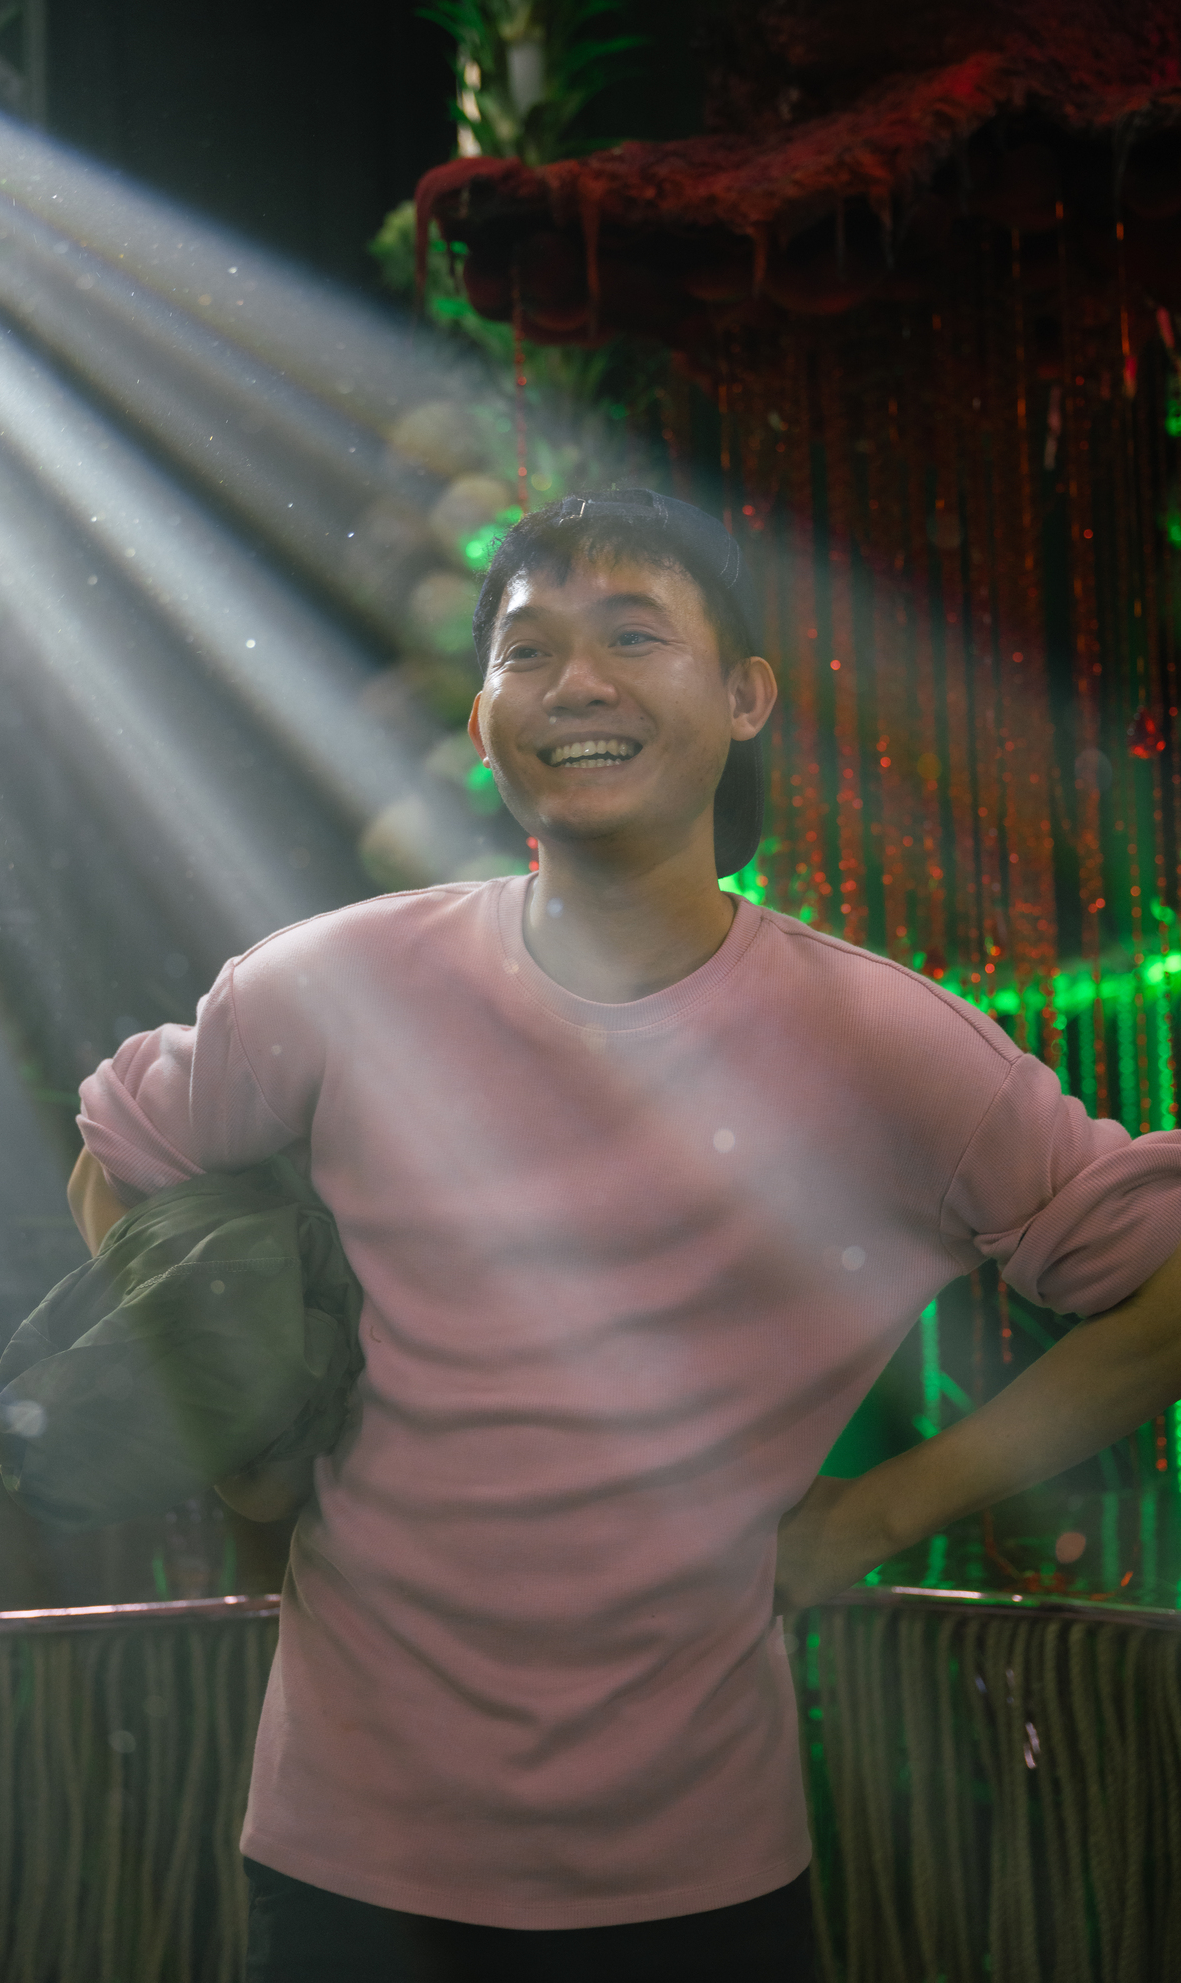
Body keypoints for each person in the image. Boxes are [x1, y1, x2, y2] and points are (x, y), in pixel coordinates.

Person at [69, 489, 1181, 1983]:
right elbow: (120, 1156)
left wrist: (880, 1514)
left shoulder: (881, 1043)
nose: (577, 684)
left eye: (635, 636)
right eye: (529, 653)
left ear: (747, 698)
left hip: (698, 1874)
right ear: (483, 721)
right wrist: (230, 1428)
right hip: (345, 1865)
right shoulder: (329, 986)